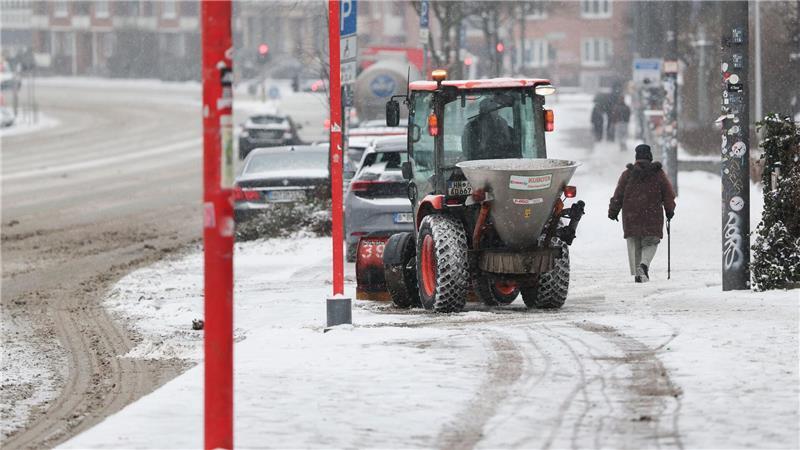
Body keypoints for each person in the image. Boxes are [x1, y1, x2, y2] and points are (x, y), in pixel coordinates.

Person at [608, 144, 676, 282]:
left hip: (631, 216)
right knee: (651, 242)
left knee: (634, 243)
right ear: (650, 157)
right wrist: (669, 210)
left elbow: (618, 195)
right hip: (652, 215)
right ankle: (643, 266)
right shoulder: (658, 174)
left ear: (636, 157)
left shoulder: (628, 174)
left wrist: (613, 211)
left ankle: (638, 273)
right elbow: (668, 194)